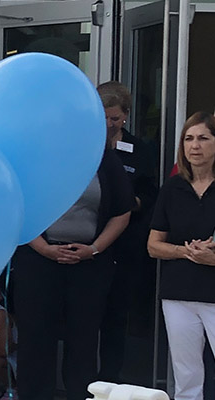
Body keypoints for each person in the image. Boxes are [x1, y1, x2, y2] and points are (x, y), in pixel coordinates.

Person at [12, 126, 133, 400]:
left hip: (89, 264)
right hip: (38, 261)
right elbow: (16, 207)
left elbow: (122, 212)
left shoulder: (103, 159)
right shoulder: (32, 161)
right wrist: (42, 247)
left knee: (84, 341)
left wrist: (94, 248)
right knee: (35, 340)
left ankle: (81, 395)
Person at [147, 112, 215, 400]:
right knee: (186, 376)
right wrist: (184, 252)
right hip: (179, 295)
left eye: (203, 138)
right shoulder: (172, 188)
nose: (194, 146)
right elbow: (153, 245)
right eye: (188, 139)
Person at [96, 81, 159, 383]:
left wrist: (129, 203)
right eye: (103, 117)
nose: (109, 125)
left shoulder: (139, 151)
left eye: (115, 119)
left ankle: (109, 379)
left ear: (126, 117)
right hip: (86, 244)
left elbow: (150, 194)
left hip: (125, 246)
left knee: (116, 318)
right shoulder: (79, 145)